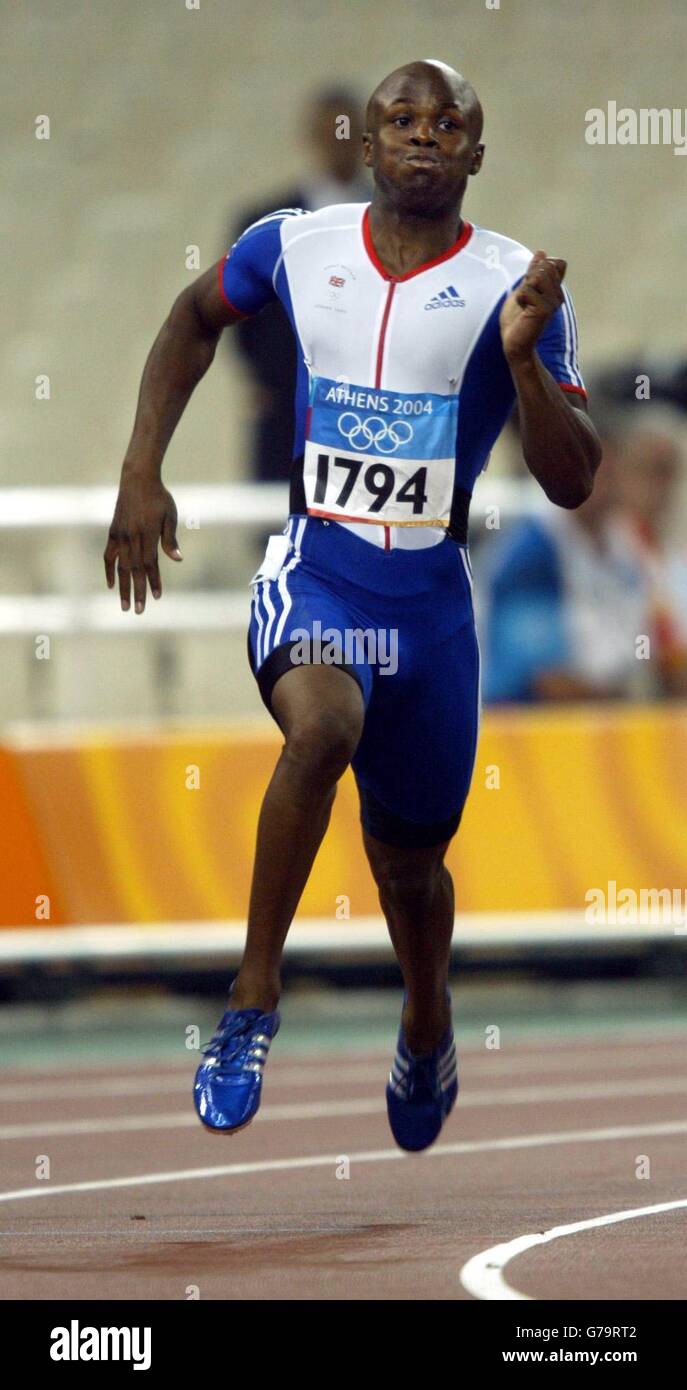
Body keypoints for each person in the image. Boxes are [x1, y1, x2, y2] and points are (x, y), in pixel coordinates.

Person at [104, 60, 601, 1152]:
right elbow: (192, 320)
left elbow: (572, 479)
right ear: (366, 146)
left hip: (431, 608)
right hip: (318, 572)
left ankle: (427, 1018)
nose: (425, 137)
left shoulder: (518, 285)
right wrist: (142, 468)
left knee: (412, 865)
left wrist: (522, 366)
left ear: (478, 152)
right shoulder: (294, 244)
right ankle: (250, 1002)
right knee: (321, 724)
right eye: (401, 121)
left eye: (449, 124)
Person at [228, 86, 369, 484]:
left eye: (349, 133)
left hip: (371, 413)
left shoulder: (399, 221)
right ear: (312, 136)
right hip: (286, 415)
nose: (340, 145)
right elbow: (239, 313)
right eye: (331, 132)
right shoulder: (265, 221)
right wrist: (268, 383)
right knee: (278, 529)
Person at [477, 421, 650, 703]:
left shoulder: (623, 545)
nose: (604, 484)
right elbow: (545, 679)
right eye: (593, 471)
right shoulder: (532, 550)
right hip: (526, 720)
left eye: (611, 472)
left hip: (601, 709)